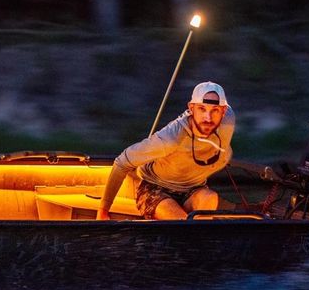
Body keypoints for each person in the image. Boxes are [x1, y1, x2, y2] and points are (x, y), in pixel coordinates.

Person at [97, 81, 234, 220]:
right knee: (180, 222)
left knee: (210, 198)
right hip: (156, 188)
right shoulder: (171, 138)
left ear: (223, 111)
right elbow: (121, 162)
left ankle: (199, 238)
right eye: (202, 109)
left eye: (215, 110)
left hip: (194, 188)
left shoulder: (228, 120)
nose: (208, 118)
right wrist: (103, 211)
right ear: (191, 108)